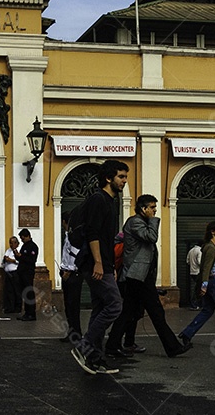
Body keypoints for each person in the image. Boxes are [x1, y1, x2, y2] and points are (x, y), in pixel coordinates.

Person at [105, 194, 191, 358]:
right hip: (138, 275)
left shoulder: (140, 222)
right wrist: (153, 220)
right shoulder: (135, 222)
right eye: (152, 207)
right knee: (155, 311)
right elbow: (151, 237)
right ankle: (172, 347)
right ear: (143, 208)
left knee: (129, 312)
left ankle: (113, 345)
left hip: (139, 276)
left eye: (155, 207)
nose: (155, 210)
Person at [71, 159, 129, 375]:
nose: (124, 181)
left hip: (103, 263)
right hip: (94, 263)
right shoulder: (98, 199)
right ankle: (84, 346)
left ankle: (95, 358)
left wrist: (110, 264)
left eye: (125, 177)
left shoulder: (110, 201)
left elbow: (107, 240)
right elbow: (93, 233)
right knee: (115, 305)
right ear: (108, 178)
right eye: (121, 177)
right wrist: (98, 262)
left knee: (100, 308)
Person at [178, 221, 215, 350]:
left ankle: (187, 333)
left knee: (208, 310)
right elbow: (206, 268)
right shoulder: (211, 247)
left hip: (211, 282)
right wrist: (204, 285)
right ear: (212, 231)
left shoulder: (210, 246)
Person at [59, 213, 83, 343]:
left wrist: (69, 270)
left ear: (64, 221)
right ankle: (72, 331)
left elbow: (75, 255)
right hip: (66, 271)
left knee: (73, 305)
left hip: (73, 273)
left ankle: (76, 332)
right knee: (68, 305)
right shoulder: (68, 235)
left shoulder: (74, 236)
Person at [15, 228, 39, 321]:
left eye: (23, 238)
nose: (22, 240)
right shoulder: (24, 246)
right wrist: (17, 256)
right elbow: (21, 259)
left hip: (28, 273)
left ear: (28, 236)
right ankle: (27, 312)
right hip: (22, 272)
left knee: (29, 293)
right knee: (25, 293)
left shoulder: (33, 247)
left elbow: (32, 260)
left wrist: (22, 256)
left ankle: (31, 313)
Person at [1, 236, 21, 314]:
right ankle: (10, 307)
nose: (11, 245)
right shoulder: (8, 250)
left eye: (12, 243)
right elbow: (4, 260)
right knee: (9, 291)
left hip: (15, 273)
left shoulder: (19, 250)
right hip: (8, 273)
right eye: (10, 243)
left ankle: (17, 308)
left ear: (17, 243)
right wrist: (5, 259)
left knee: (17, 291)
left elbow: (20, 261)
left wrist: (11, 260)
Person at [186, 242, 203, 310]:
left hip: (192, 272)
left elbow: (187, 261)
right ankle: (195, 304)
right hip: (198, 272)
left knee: (196, 288)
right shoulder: (199, 251)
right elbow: (199, 262)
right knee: (198, 289)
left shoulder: (191, 250)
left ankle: (195, 304)